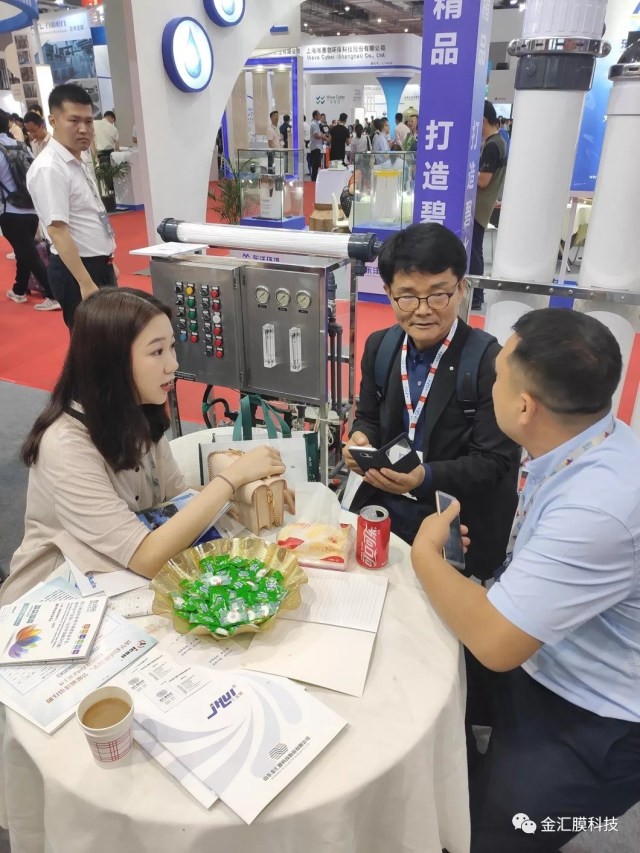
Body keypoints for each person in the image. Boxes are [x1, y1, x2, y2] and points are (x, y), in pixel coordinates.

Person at [410, 308, 640, 853]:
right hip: (549, 658)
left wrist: (425, 554)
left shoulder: (598, 507)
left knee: (504, 833)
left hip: (594, 715)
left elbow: (496, 643)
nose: (490, 384)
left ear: (524, 406)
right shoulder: (593, 440)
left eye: (498, 376)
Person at [0, 288, 286, 605]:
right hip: (56, 598)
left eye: (172, 347)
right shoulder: (65, 446)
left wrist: (250, 489)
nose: (172, 364)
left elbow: (177, 499)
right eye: (157, 352)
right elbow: (147, 557)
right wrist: (231, 479)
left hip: (117, 579)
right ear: (112, 361)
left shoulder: (138, 413)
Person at [343, 223, 518, 580]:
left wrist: (424, 476)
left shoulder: (488, 362)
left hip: (456, 521)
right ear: (388, 292)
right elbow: (368, 418)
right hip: (388, 506)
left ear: (461, 289)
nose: (422, 310)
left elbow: (494, 462)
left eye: (438, 295)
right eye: (407, 297)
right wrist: (360, 440)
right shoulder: (381, 347)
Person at [26, 84, 118, 330]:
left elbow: (89, 214)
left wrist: (108, 260)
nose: (83, 129)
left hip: (98, 264)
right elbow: (57, 231)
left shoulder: (78, 159)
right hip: (77, 271)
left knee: (110, 337)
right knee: (92, 343)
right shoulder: (50, 167)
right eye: (74, 121)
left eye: (88, 121)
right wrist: (85, 282)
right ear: (53, 121)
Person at [0, 111, 60, 311]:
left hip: (10, 210)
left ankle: (53, 294)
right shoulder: (21, 145)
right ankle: (19, 290)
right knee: (23, 251)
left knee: (29, 254)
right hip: (31, 208)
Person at [470, 100, 508, 309]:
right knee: (476, 250)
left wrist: (466, 172)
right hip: (484, 204)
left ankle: (476, 296)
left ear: (483, 119)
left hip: (480, 205)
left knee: (475, 251)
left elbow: (483, 181)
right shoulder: (499, 141)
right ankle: (476, 294)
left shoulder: (492, 145)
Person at [308, 110, 328, 182]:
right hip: (315, 147)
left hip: (317, 146)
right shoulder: (314, 124)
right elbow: (316, 135)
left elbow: (319, 134)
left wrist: (324, 137)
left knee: (316, 165)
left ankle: (315, 180)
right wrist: (325, 138)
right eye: (319, 115)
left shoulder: (317, 124)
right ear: (316, 116)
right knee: (315, 165)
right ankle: (313, 180)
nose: (320, 116)